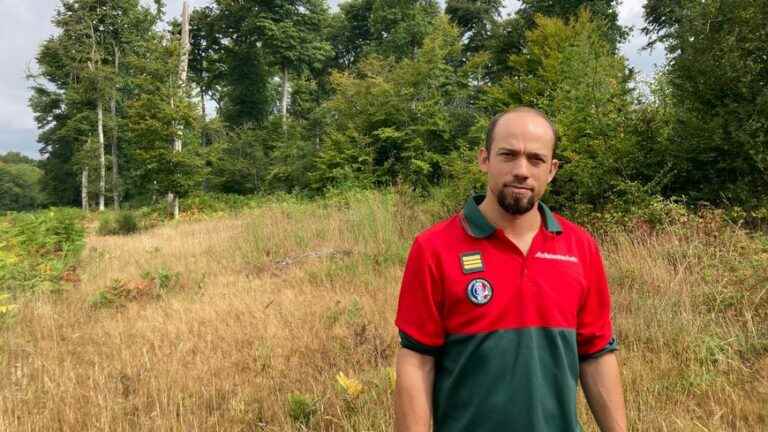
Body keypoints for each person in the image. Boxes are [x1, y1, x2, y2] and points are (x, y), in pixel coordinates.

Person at [394, 107, 627, 432]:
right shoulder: (434, 248)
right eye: (508, 155)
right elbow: (416, 361)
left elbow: (596, 354)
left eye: (535, 159)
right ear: (484, 159)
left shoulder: (580, 248)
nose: (521, 170)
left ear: (552, 169)